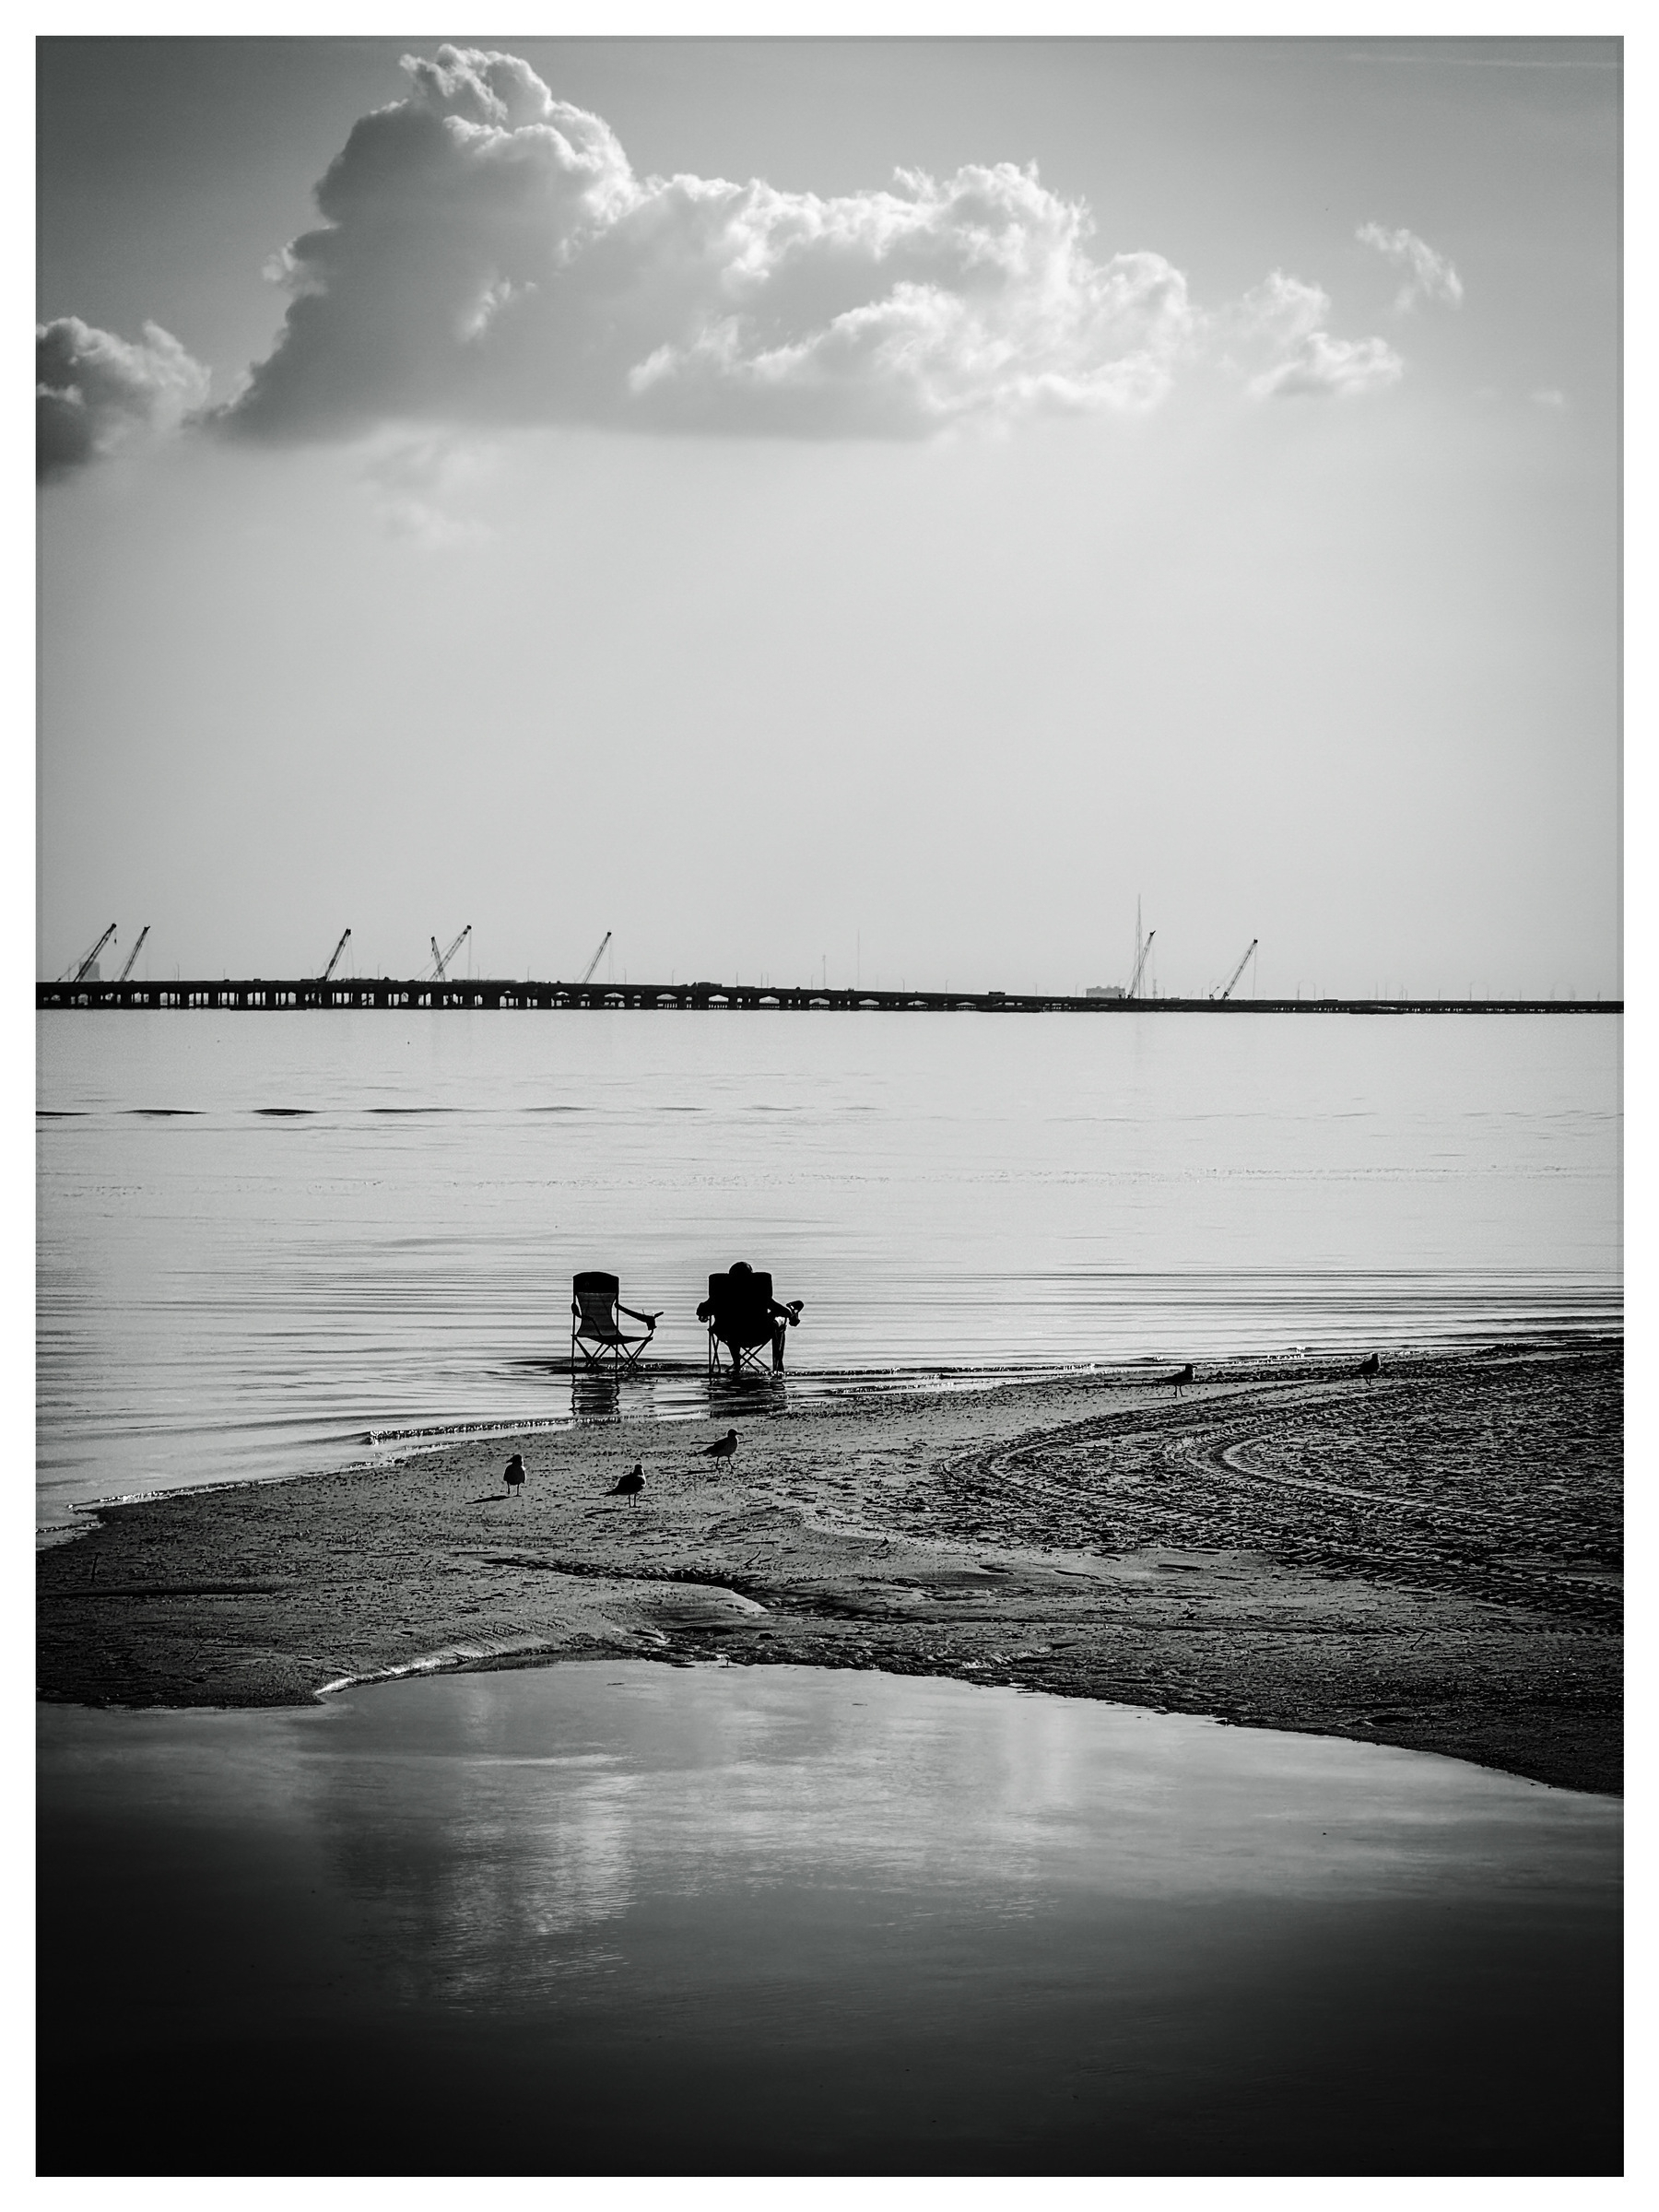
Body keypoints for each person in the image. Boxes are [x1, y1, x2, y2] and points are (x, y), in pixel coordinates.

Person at [697, 1260, 804, 1373]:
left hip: (729, 1334)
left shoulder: (719, 1295)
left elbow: (702, 1311)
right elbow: (780, 1311)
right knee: (781, 1317)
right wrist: (790, 1314)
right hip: (758, 1333)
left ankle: (737, 1366)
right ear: (751, 1277)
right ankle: (778, 1367)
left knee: (733, 1328)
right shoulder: (759, 1293)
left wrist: (704, 1312)